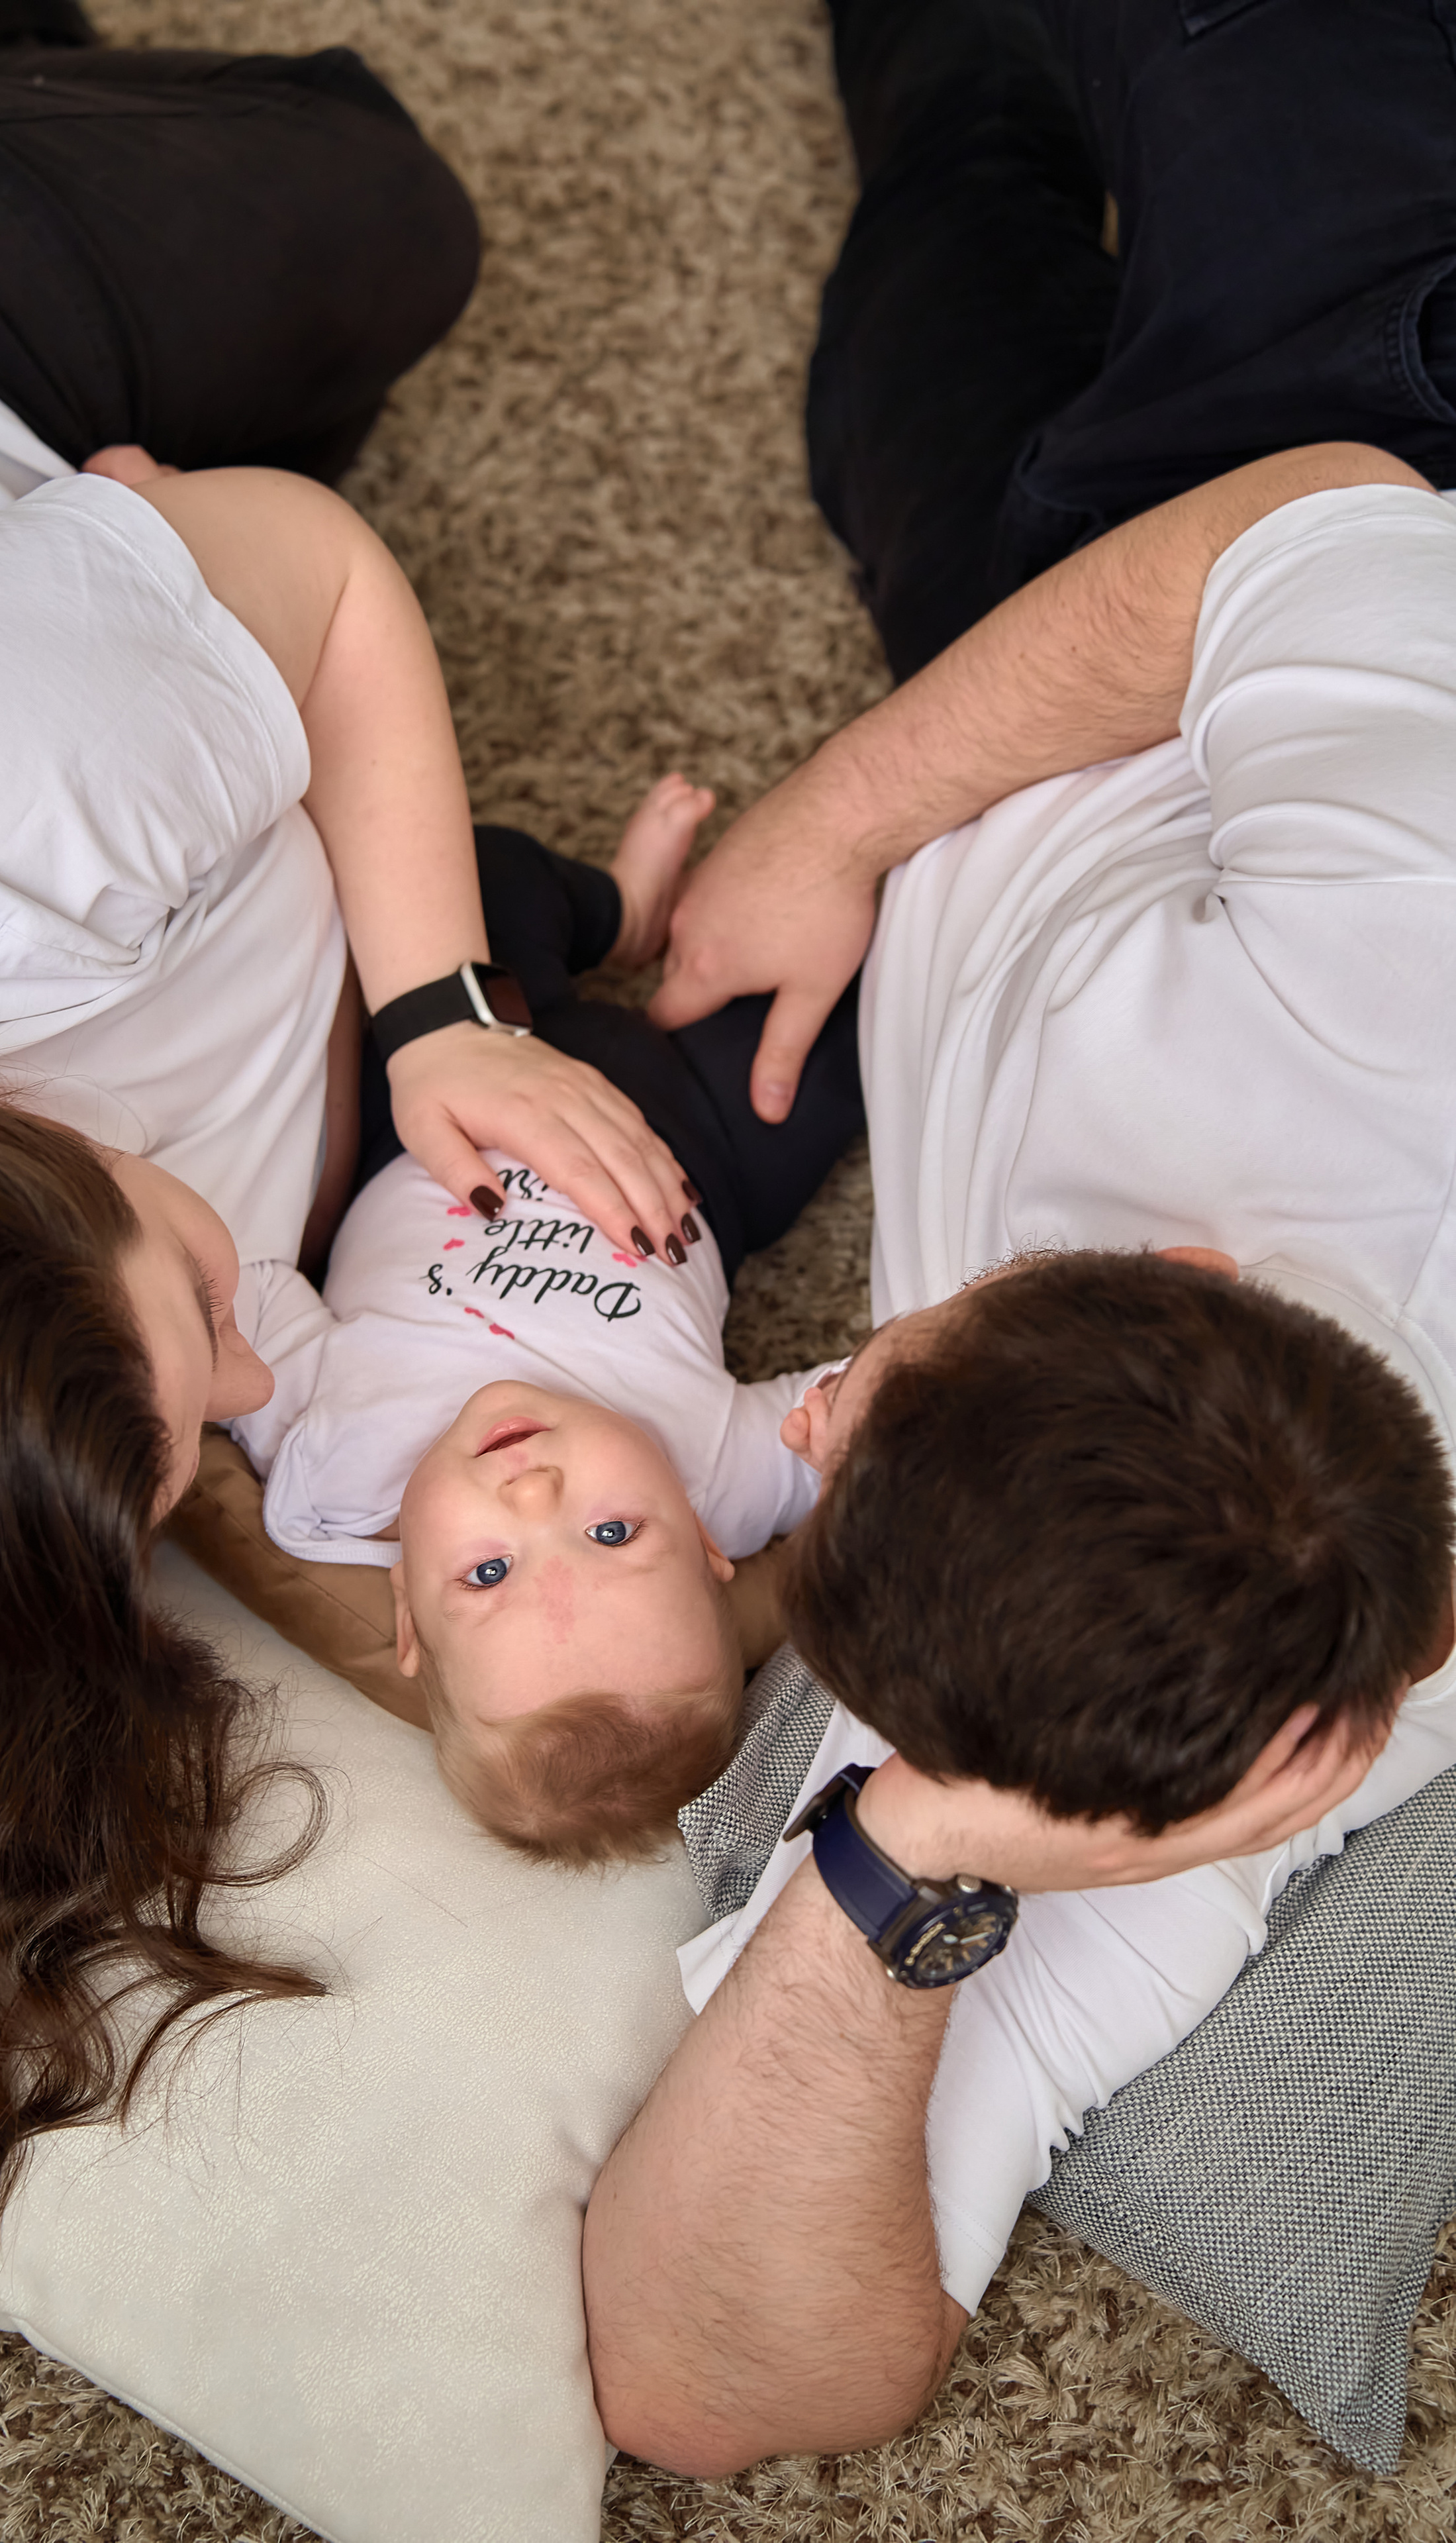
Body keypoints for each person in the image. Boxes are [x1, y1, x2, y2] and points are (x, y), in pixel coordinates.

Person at [0, 0, 700, 2307]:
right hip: (81, 735)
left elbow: (327, 575)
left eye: (192, 1334)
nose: (265, 1395)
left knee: (382, 217)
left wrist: (445, 1009)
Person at [582, 0, 1456, 2476]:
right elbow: (1278, 532)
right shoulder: (1413, 974)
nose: (815, 1396)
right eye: (899, 1371)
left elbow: (700, 2387)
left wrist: (909, 1856)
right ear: (1183, 1276)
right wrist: (833, 824)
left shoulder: (1135, 1738)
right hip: (1350, 495)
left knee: (923, 279)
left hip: (1057, 652)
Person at [233, 781, 864, 1864]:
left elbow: (239, 1290)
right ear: (714, 1549)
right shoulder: (722, 1474)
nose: (534, 1496)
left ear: (405, 1609)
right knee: (841, 1037)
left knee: (473, 871)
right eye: (614, 1535)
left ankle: (612, 911)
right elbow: (863, 1411)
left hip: (465, 1093)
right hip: (699, 1143)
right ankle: (644, 926)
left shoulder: (327, 1471)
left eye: (487, 1574)